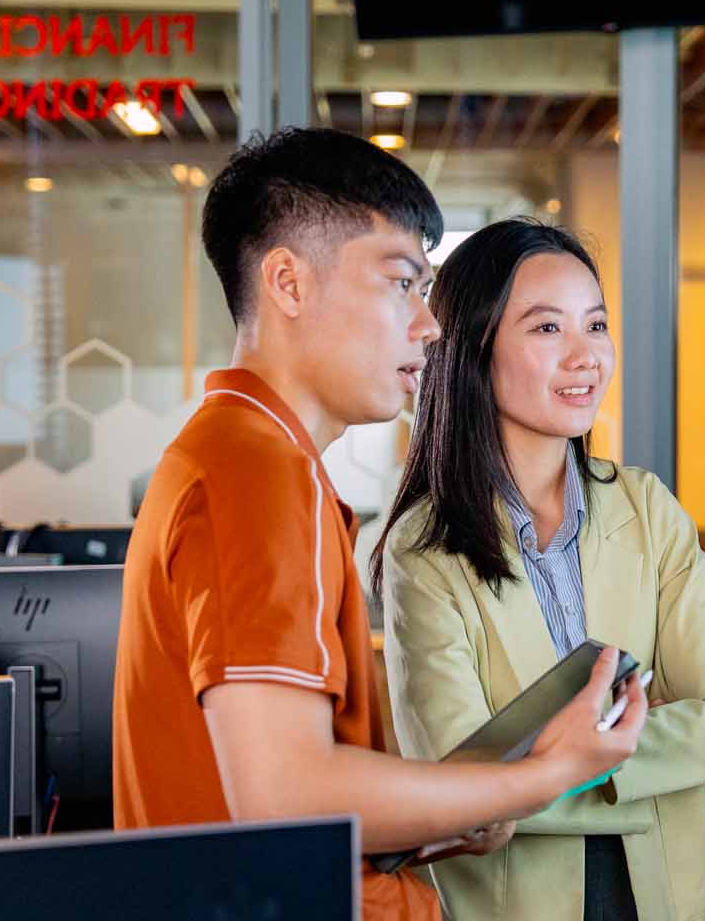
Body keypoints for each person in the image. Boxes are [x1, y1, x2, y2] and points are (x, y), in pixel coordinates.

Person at [112, 131, 648, 921]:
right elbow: (285, 793)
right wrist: (544, 773)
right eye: (401, 283)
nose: (427, 325)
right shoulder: (252, 473)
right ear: (288, 282)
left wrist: (447, 815)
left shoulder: (259, 458)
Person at [378, 219, 705, 921]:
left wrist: (546, 770)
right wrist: (639, 759)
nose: (587, 356)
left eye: (597, 325)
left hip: (670, 897)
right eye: (548, 329)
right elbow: (458, 781)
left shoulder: (647, 509)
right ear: (475, 347)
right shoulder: (423, 548)